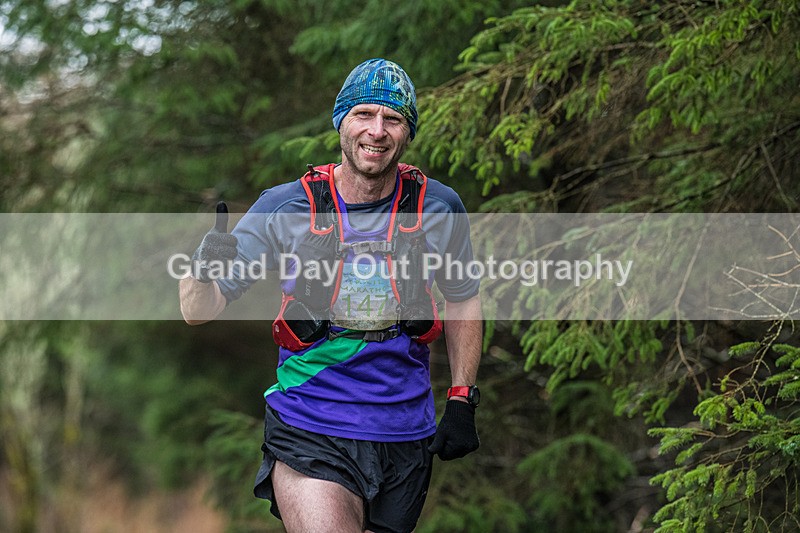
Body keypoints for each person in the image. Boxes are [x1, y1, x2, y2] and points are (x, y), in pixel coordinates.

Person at [179, 58, 482, 533]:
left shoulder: (440, 208)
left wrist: (462, 397)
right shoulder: (285, 207)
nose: (377, 131)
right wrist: (201, 269)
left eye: (393, 119)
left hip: (405, 432)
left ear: (407, 133)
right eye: (364, 114)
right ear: (341, 121)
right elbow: (198, 310)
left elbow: (463, 297)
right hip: (310, 425)